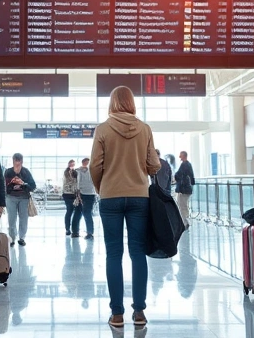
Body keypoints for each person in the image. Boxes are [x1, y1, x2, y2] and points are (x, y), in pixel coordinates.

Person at [90, 86, 161, 328]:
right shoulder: (145, 128)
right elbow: (154, 165)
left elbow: (94, 166)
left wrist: (103, 188)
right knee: (137, 253)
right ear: (131, 102)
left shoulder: (102, 129)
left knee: (113, 254)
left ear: (112, 103)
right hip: (140, 197)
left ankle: (117, 314)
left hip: (110, 197)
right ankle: (139, 312)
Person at [4, 153, 36, 247]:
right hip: (11, 198)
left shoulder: (26, 172)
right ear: (13, 161)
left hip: (24, 198)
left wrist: (23, 183)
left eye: (19, 162)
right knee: (11, 219)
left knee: (23, 218)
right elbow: (4, 186)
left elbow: (33, 186)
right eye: (15, 162)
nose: (17, 164)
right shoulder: (8, 172)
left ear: (22, 161)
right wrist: (11, 183)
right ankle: (12, 238)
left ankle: (22, 238)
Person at [72, 157, 96, 240]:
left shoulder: (92, 170)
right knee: (80, 213)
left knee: (85, 213)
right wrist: (77, 193)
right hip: (81, 193)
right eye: (87, 162)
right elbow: (76, 182)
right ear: (84, 162)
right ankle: (76, 232)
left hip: (89, 193)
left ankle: (88, 233)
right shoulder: (78, 170)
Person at [174, 150, 195, 228]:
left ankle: (185, 222)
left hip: (183, 189)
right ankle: (185, 221)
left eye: (180, 155)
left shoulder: (184, 165)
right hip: (187, 189)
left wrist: (175, 178)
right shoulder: (188, 164)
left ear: (184, 156)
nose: (179, 157)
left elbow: (178, 175)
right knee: (184, 205)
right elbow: (192, 177)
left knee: (182, 205)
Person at [62, 159, 79, 236]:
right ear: (68, 164)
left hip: (75, 194)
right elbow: (69, 181)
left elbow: (77, 181)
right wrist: (71, 172)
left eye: (73, 164)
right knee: (69, 210)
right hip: (67, 194)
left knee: (76, 212)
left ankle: (74, 229)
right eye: (71, 164)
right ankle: (67, 229)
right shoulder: (66, 172)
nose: (72, 165)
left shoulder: (76, 172)